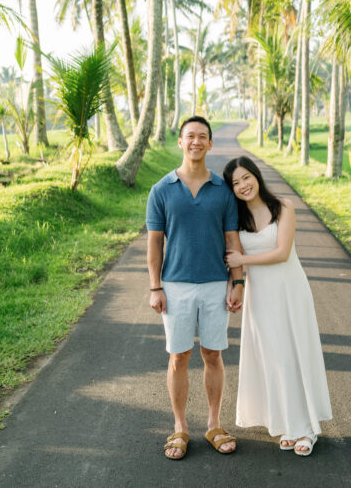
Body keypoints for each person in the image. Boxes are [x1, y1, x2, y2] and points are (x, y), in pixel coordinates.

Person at [146, 116, 245, 461]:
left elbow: (232, 240)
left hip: (216, 284)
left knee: (213, 354)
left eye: (202, 136)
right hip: (175, 286)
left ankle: (214, 424)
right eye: (190, 136)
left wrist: (238, 282)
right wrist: (155, 287)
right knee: (179, 357)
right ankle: (179, 427)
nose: (196, 142)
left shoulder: (223, 191)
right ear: (180, 142)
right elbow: (155, 244)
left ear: (210, 143)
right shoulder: (161, 190)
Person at [222, 155, 332, 457]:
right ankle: (286, 423)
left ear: (256, 176)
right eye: (236, 183)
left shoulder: (283, 207)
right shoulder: (238, 220)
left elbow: (282, 253)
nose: (243, 185)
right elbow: (231, 258)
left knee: (295, 355)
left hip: (289, 291)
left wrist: (242, 260)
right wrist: (236, 286)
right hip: (261, 296)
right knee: (273, 359)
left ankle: (307, 429)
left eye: (246, 177)